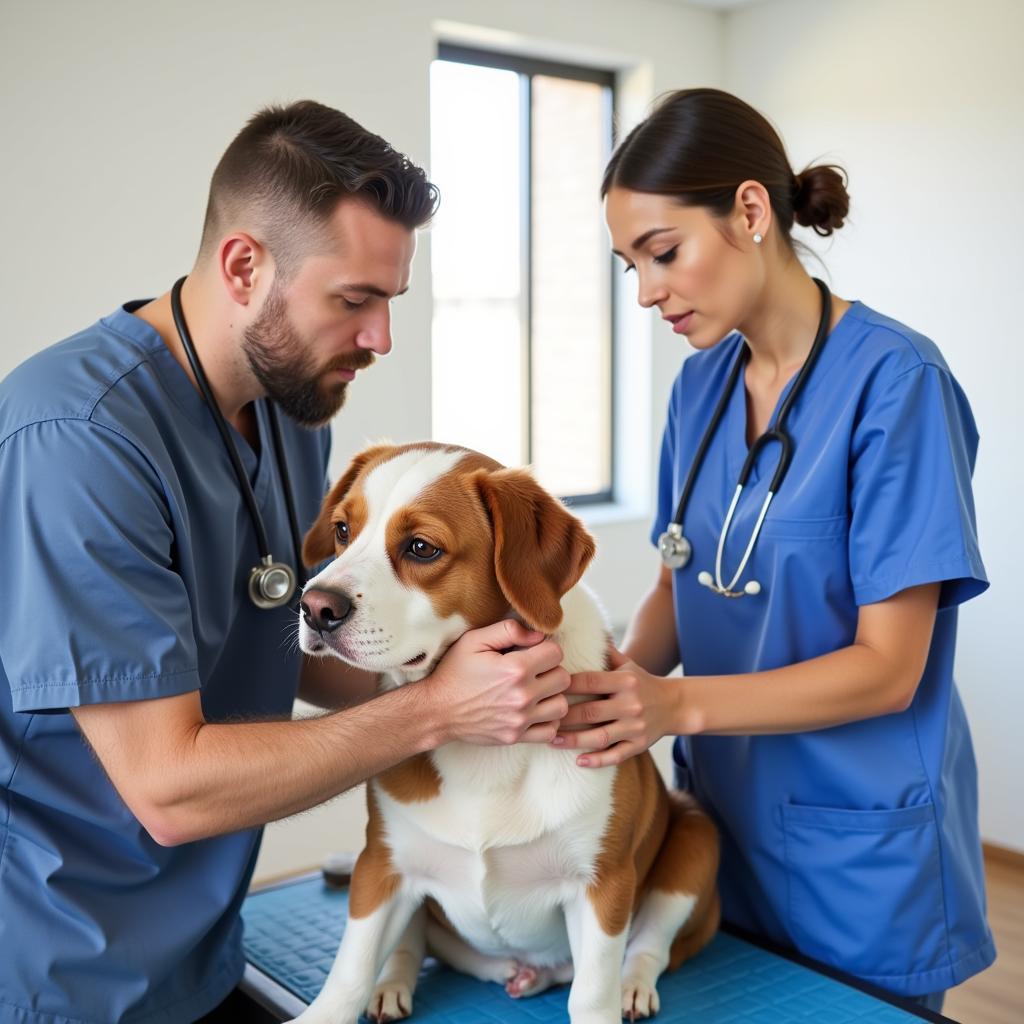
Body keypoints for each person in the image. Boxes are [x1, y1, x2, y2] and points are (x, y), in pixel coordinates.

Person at [0, 100, 570, 1023]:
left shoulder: (291, 410)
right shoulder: (78, 440)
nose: (381, 337)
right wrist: (432, 708)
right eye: (355, 300)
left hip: (203, 948)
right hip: (63, 968)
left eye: (391, 301)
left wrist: (502, 684)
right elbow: (170, 788)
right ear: (243, 266)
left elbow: (285, 640)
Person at [552, 88, 994, 1013]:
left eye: (663, 253)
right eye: (628, 265)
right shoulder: (699, 388)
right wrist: (602, 695)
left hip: (858, 856)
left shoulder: (897, 385)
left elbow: (888, 671)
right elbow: (688, 576)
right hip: (714, 832)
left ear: (751, 212)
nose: (646, 292)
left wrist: (669, 703)